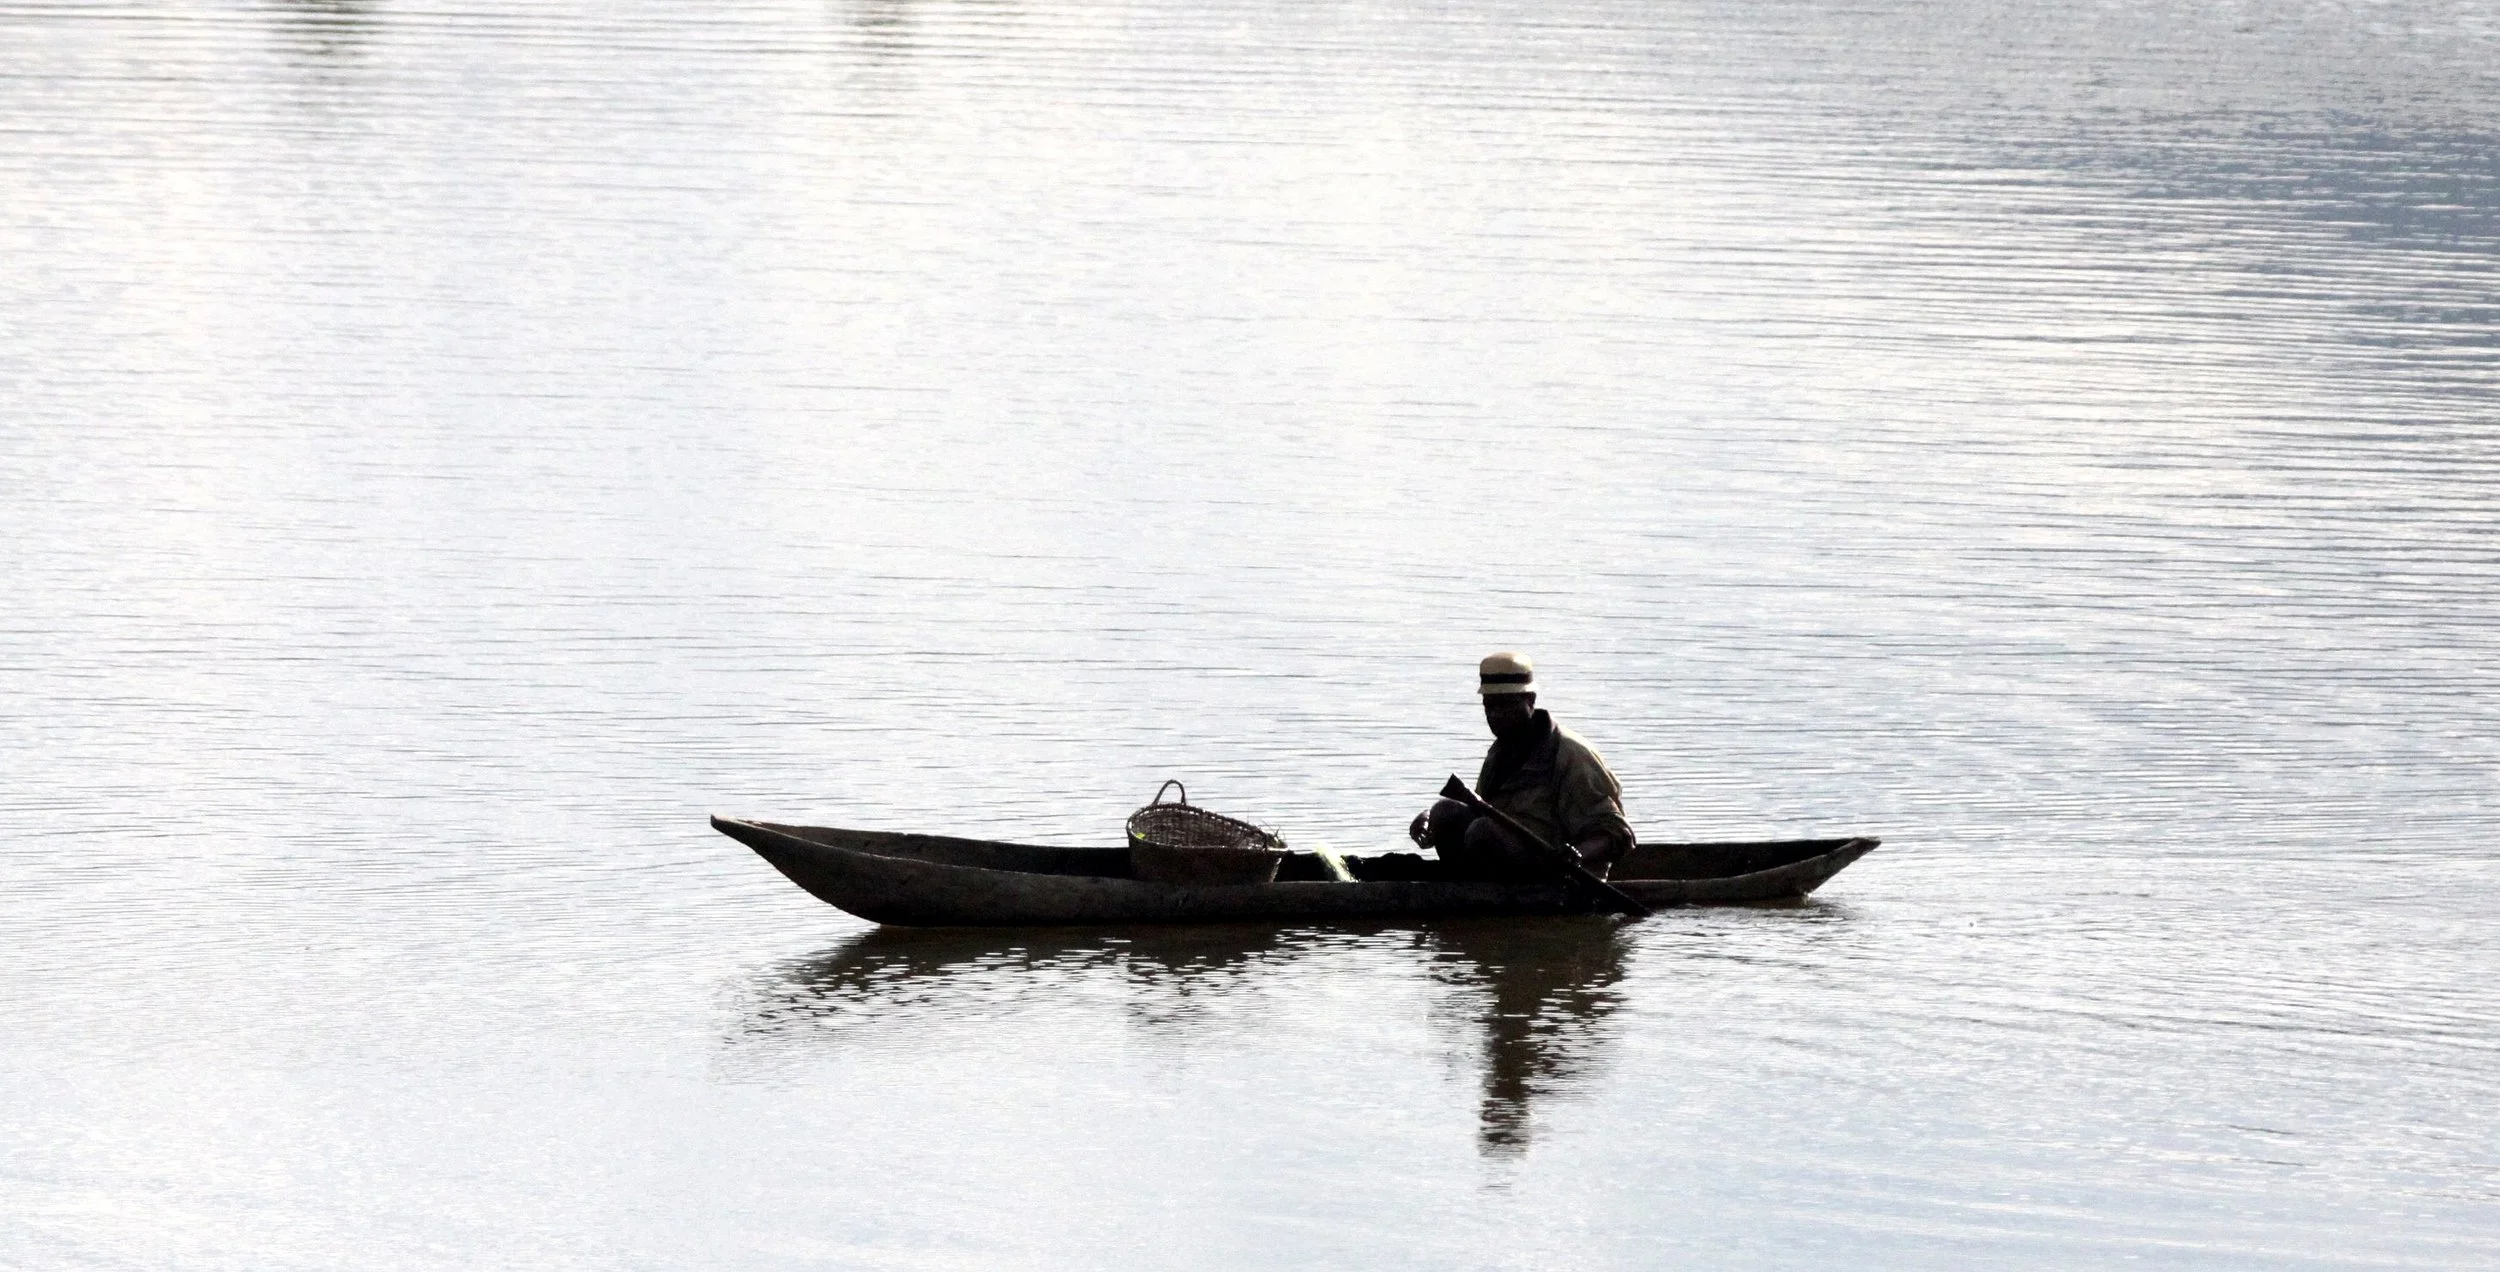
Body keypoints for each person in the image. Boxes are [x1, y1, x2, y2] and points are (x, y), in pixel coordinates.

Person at [1407, 653, 1635, 880]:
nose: (1496, 715)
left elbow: (1618, 834)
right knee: (1444, 812)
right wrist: (1429, 821)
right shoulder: (1501, 751)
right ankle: (1464, 890)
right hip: (1508, 860)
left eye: (1506, 705)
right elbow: (1482, 810)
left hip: (1563, 873)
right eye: (1489, 706)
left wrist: (1577, 855)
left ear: (1530, 700)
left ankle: (1491, 895)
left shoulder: (1570, 754)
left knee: (1482, 831)